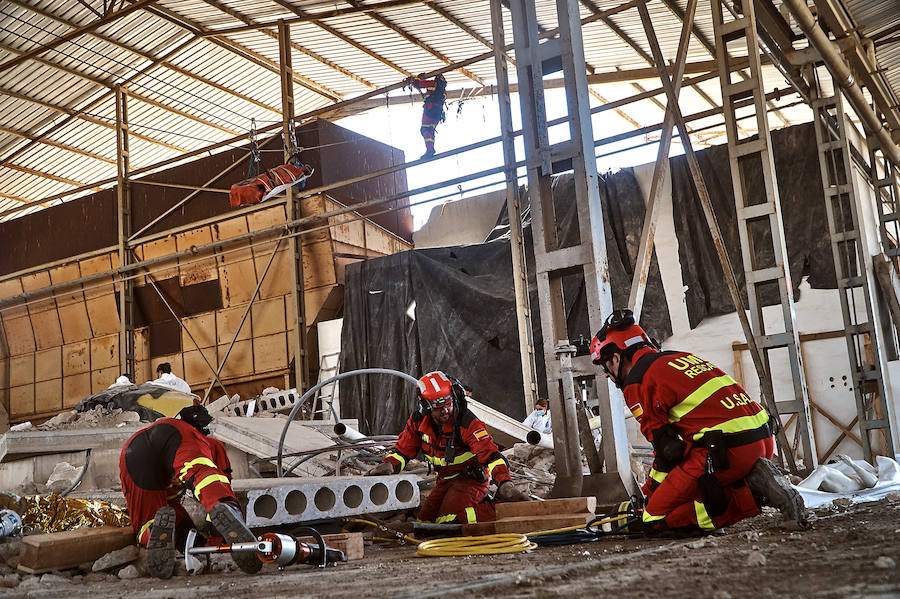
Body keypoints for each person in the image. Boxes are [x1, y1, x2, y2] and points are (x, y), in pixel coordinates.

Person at [590, 308, 808, 535]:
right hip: (761, 440)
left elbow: (668, 452)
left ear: (616, 357)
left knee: (653, 521)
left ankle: (753, 493)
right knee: (692, 491)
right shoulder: (678, 358)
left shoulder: (637, 382)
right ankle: (755, 480)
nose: (606, 374)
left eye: (605, 366)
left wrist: (649, 497)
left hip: (728, 452)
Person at [367, 370, 529, 524]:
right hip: (444, 481)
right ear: (426, 406)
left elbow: (491, 455)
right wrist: (389, 464)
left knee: (449, 522)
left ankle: (504, 507)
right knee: (425, 523)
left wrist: (505, 483)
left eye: (448, 403)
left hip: (470, 481)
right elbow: (402, 452)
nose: (445, 411)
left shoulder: (467, 422)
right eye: (438, 407)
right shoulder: (418, 422)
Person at [119, 404, 261, 578]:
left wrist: (196, 538)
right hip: (172, 434)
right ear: (201, 428)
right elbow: (220, 479)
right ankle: (227, 508)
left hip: (132, 450)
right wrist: (216, 537)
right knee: (203, 474)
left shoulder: (167, 450)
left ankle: (158, 535)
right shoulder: (204, 440)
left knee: (149, 520)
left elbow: (172, 507)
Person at [405, 73, 447, 159]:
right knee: (430, 129)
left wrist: (418, 78)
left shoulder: (432, 83)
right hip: (438, 113)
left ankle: (430, 150)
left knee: (425, 129)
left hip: (430, 110)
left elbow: (417, 83)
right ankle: (430, 149)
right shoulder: (444, 91)